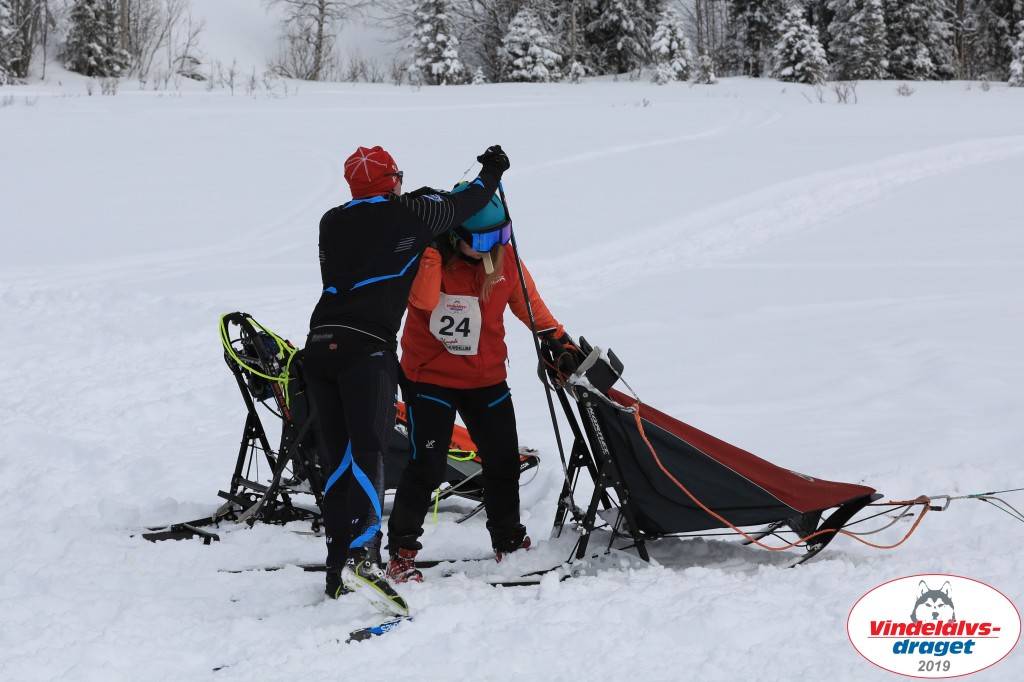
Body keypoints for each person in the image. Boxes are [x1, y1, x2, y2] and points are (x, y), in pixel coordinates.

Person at [303, 144, 510, 615]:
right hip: (366, 351)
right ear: (394, 179)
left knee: (338, 459)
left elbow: (378, 221)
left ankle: (338, 570)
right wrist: (493, 168)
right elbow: (470, 201)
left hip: (319, 345)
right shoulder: (412, 213)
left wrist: (412, 196)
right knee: (369, 451)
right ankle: (363, 556)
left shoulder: (331, 221)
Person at [385, 183, 577, 583]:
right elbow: (423, 301)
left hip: (486, 376)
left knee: (503, 461)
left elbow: (529, 304)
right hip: (430, 378)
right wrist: (431, 247)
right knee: (427, 466)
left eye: (502, 234)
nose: (496, 245)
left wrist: (557, 338)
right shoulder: (430, 258)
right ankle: (401, 553)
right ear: (454, 234)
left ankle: (508, 540)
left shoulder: (503, 258)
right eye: (485, 239)